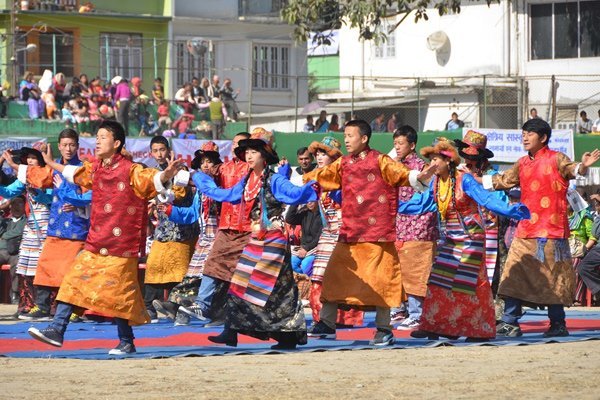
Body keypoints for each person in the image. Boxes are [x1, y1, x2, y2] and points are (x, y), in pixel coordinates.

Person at [27, 120, 186, 355]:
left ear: (117, 143)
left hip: (121, 245)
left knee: (118, 294)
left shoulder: (131, 169)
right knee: (73, 280)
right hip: (96, 241)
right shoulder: (96, 167)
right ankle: (57, 329)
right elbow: (75, 174)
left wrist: (166, 174)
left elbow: (150, 179)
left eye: (103, 137)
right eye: (97, 137)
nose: (98, 141)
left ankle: (126, 341)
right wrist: (50, 163)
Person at [305, 120, 433, 346]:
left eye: (350, 135)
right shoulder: (342, 163)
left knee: (382, 281)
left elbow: (402, 174)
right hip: (350, 232)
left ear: (363, 139)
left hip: (377, 234)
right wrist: (298, 181)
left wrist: (418, 177)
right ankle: (327, 322)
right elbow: (322, 176)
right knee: (333, 276)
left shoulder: (381, 160)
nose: (346, 140)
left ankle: (384, 329)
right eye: (344, 135)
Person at [192, 128, 317, 350]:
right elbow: (227, 195)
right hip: (256, 239)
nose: (249, 156)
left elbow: (295, 194)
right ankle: (232, 331)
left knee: (273, 289)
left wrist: (315, 184)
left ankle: (285, 336)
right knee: (242, 282)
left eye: (254, 152)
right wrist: (201, 180)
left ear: (264, 156)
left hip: (275, 240)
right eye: (247, 152)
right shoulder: (247, 180)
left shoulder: (274, 180)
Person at [481, 118, 600, 338]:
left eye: (530, 133)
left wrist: (583, 166)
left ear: (543, 137)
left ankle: (557, 323)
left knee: (553, 279)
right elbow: (502, 180)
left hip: (551, 233)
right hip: (525, 230)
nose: (524, 137)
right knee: (513, 274)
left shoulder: (557, 159)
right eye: (523, 133)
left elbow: (573, 169)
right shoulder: (521, 163)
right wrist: (472, 181)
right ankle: (510, 322)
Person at [407, 138, 529, 342]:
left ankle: (477, 329)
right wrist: (392, 207)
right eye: (431, 160)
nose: (433, 164)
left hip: (471, 236)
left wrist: (510, 210)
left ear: (448, 161)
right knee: (438, 281)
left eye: (436, 159)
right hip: (450, 239)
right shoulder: (436, 182)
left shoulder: (465, 179)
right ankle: (437, 325)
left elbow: (486, 199)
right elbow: (420, 204)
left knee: (466, 284)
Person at [7, 129, 92, 321]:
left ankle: (76, 310)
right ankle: (43, 307)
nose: (68, 149)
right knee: (45, 266)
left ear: (78, 146)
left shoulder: (84, 169)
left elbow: (92, 194)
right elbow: (38, 176)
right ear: (59, 147)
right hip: (55, 227)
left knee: (72, 271)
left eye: (72, 145)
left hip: (76, 228)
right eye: (64, 145)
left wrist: (77, 201)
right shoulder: (54, 169)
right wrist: (14, 166)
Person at [178, 132, 251, 326]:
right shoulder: (224, 169)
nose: (239, 148)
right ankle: (203, 306)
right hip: (227, 227)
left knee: (241, 275)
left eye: (244, 145)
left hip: (250, 228)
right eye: (235, 143)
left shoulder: (258, 172)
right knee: (213, 265)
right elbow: (205, 177)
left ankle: (231, 315)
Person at [153, 142, 223, 326]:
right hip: (205, 239)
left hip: (222, 240)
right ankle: (178, 309)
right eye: (203, 163)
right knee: (193, 276)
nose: (206, 166)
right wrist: (169, 210)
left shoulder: (222, 185)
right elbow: (191, 214)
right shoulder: (200, 191)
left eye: (210, 162)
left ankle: (180, 307)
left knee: (210, 276)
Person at [303, 136, 364, 327]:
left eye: (324, 154)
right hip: (328, 232)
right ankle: (323, 318)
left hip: (343, 232)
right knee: (319, 275)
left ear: (334, 157)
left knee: (336, 276)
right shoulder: (317, 177)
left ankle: (338, 319)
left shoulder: (342, 177)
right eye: (318, 154)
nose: (319, 157)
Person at [143, 136, 199, 323]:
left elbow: (180, 194)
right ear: (151, 153)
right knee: (154, 266)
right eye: (155, 150)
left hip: (182, 228)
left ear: (168, 150)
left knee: (180, 272)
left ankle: (180, 310)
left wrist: (159, 196)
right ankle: (150, 307)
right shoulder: (154, 173)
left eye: (162, 150)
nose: (159, 154)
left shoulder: (180, 169)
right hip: (164, 228)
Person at [392, 126, 438, 330]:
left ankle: (417, 313)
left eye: (401, 143)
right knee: (398, 269)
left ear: (412, 145)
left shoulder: (422, 168)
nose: (397, 147)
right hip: (399, 226)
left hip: (420, 227)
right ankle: (399, 309)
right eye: (395, 144)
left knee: (416, 271)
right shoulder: (394, 166)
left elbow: (426, 200)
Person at [0, 145, 53, 315]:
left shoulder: (48, 174)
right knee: (24, 267)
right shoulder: (25, 178)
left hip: (48, 226)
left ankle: (46, 306)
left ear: (41, 160)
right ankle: (27, 305)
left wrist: (36, 191)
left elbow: (49, 198)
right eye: (28, 158)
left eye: (34, 158)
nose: (30, 161)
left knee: (44, 268)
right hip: (31, 228)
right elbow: (8, 192)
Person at [455, 130, 507, 286]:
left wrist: (476, 181)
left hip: (490, 230)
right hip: (464, 230)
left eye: (472, 158)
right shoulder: (459, 173)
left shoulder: (492, 175)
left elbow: (498, 201)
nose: (468, 161)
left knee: (493, 271)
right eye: (466, 158)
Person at [0, 197, 27, 305]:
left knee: (17, 265)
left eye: (19, 204)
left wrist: (4, 236)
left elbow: (20, 231)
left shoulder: (26, 220)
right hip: (1, 251)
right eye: (14, 204)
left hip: (16, 252)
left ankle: (15, 293)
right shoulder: (5, 221)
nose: (16, 206)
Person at [285, 201, 322, 276]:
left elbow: (320, 237)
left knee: (305, 265)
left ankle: (314, 282)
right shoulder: (304, 213)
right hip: (303, 249)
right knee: (292, 264)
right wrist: (296, 201)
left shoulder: (322, 216)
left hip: (316, 249)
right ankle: (306, 279)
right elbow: (289, 219)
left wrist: (306, 248)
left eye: (312, 201)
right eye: (307, 201)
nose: (310, 203)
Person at [567, 202, 594, 305]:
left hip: (580, 250)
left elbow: (592, 237)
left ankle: (576, 298)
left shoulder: (584, 216)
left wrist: (584, 249)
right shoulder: (560, 216)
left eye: (567, 202)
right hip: (564, 248)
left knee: (576, 263)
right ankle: (561, 296)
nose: (565, 204)